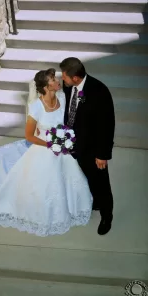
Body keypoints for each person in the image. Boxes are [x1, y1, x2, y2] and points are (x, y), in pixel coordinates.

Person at [0, 68, 92, 237]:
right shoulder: (36, 107)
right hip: (44, 146)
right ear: (45, 87)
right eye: (53, 80)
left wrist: (65, 139)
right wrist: (51, 144)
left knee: (71, 170)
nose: (57, 81)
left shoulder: (63, 99)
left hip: (61, 147)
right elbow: (29, 135)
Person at [59, 57, 115, 235]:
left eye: (65, 77)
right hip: (73, 147)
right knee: (83, 178)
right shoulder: (69, 88)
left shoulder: (99, 91)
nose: (63, 80)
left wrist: (102, 154)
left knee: (101, 183)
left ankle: (107, 216)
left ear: (75, 77)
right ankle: (94, 202)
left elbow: (107, 125)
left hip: (93, 151)